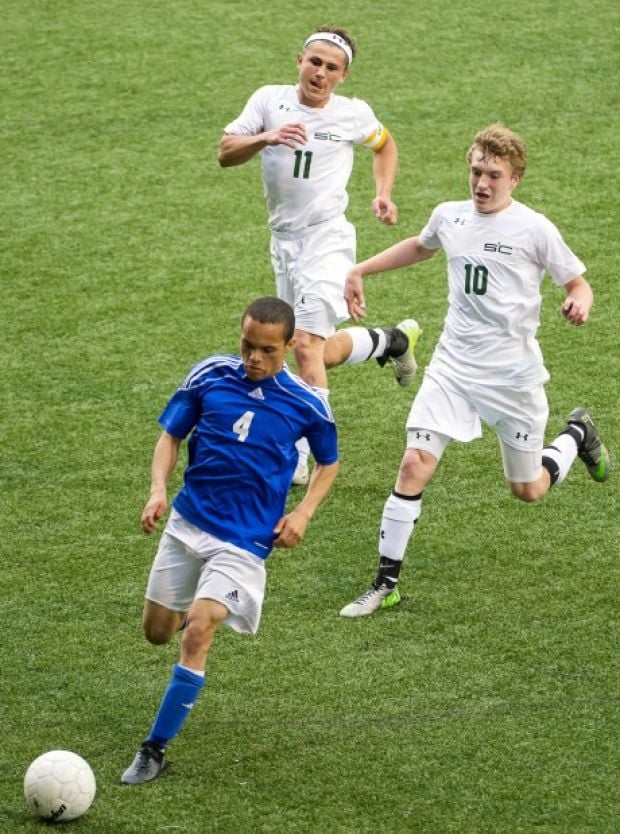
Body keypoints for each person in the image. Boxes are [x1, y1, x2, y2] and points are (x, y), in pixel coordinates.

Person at [338, 123, 611, 618]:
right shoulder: (450, 216)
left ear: (515, 179)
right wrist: (360, 270)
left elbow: (578, 282)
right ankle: (385, 583)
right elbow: (421, 246)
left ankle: (576, 435)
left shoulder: (535, 229)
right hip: (453, 369)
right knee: (413, 464)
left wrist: (577, 300)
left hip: (512, 380)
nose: (482, 184)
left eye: (494, 175)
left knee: (527, 490)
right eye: (476, 171)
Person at [121, 297, 339, 783]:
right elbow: (170, 436)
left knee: (199, 629)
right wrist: (158, 489)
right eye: (247, 345)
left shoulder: (306, 403)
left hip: (243, 542)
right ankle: (188, 613)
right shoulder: (209, 375)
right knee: (158, 631)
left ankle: (153, 748)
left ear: (288, 346)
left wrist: (303, 512)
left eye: (266, 350)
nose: (253, 358)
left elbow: (329, 462)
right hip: (187, 523)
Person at [218, 25, 420, 484]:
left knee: (304, 345)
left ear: (343, 75)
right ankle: (391, 342)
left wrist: (383, 193)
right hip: (283, 243)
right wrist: (265, 138)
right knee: (310, 349)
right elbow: (226, 152)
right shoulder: (269, 101)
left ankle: (308, 458)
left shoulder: (352, 115)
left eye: (332, 67)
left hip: (328, 240)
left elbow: (384, 144)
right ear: (299, 61)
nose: (321, 73)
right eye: (315, 62)